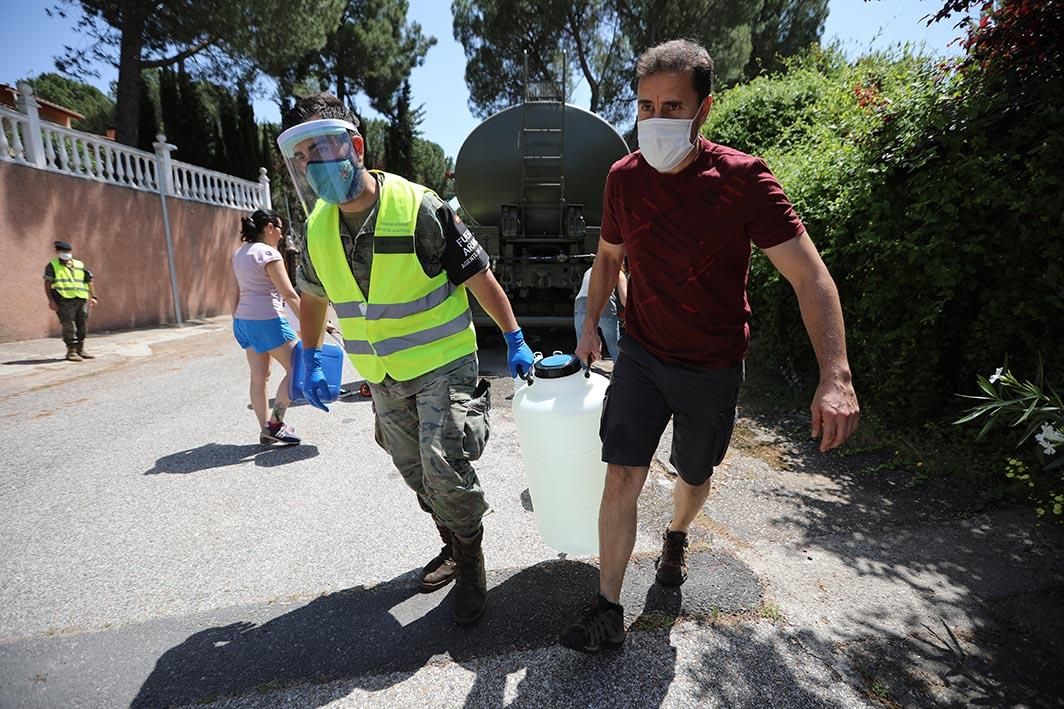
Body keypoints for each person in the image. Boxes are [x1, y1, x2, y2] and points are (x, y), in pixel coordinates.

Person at [559, 39, 860, 653]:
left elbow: (811, 277)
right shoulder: (623, 179)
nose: (656, 120)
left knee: (694, 475)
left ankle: (676, 533)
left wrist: (836, 375)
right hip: (641, 354)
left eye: (673, 107)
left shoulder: (745, 181)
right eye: (645, 106)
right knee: (621, 474)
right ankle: (607, 607)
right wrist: (592, 324)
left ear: (704, 110)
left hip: (712, 363)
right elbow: (609, 255)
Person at [276, 93, 535, 626]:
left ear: (355, 146)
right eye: (303, 156)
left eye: (322, 148)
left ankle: (471, 562)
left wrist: (513, 337)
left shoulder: (418, 207)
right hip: (384, 376)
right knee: (415, 473)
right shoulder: (317, 227)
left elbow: (479, 276)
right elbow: (314, 298)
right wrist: (310, 357)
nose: (314, 165)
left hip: (444, 362)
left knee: (444, 465)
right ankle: (451, 541)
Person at [232, 209, 302, 446]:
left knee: (259, 377)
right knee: (297, 369)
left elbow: (237, 291)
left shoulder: (240, 253)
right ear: (270, 227)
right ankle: (275, 424)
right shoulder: (268, 253)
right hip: (268, 320)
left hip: (244, 320)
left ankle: (265, 429)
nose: (282, 236)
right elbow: (289, 293)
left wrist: (239, 319)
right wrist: (314, 322)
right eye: (280, 229)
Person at [44, 240, 98, 361]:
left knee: (82, 324)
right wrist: (51, 301)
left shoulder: (79, 264)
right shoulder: (52, 265)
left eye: (68, 251)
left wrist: (93, 296)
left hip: (81, 298)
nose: (66, 253)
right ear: (57, 252)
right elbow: (47, 283)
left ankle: (81, 349)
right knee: (69, 325)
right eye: (63, 251)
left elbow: (89, 281)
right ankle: (71, 351)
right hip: (64, 300)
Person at [573, 263, 627, 360]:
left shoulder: (589, 270)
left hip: (581, 305)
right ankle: (619, 371)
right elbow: (625, 300)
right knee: (614, 346)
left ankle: (585, 371)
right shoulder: (617, 271)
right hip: (604, 305)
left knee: (583, 349)